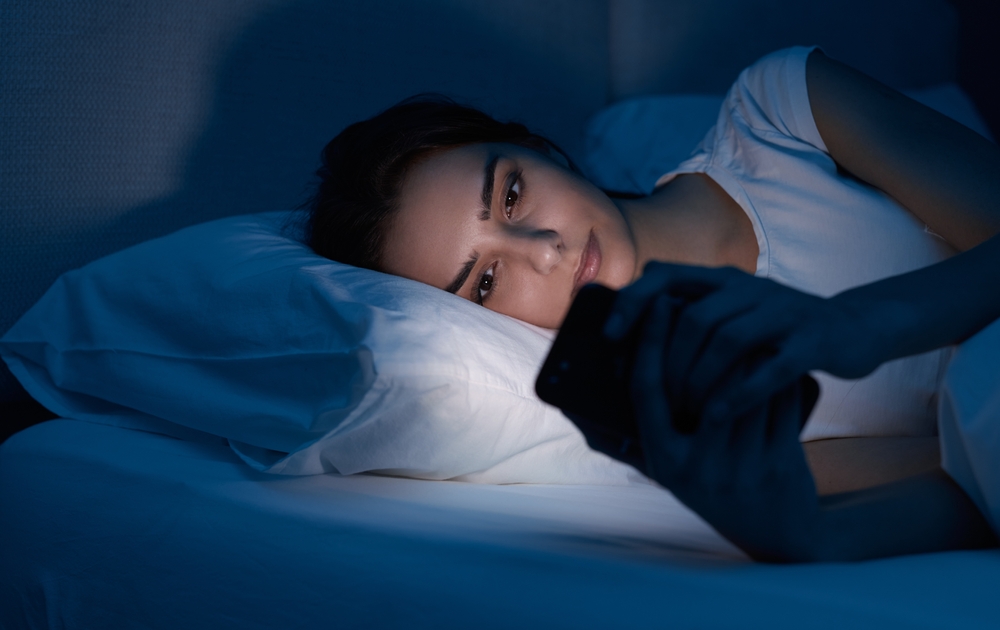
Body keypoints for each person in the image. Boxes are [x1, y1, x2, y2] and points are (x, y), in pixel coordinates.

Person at [305, 47, 1000, 561]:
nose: (542, 249)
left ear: (535, 147)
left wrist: (862, 326)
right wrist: (799, 535)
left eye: (511, 195)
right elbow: (973, 482)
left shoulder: (782, 111)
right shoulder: (686, 401)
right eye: (484, 282)